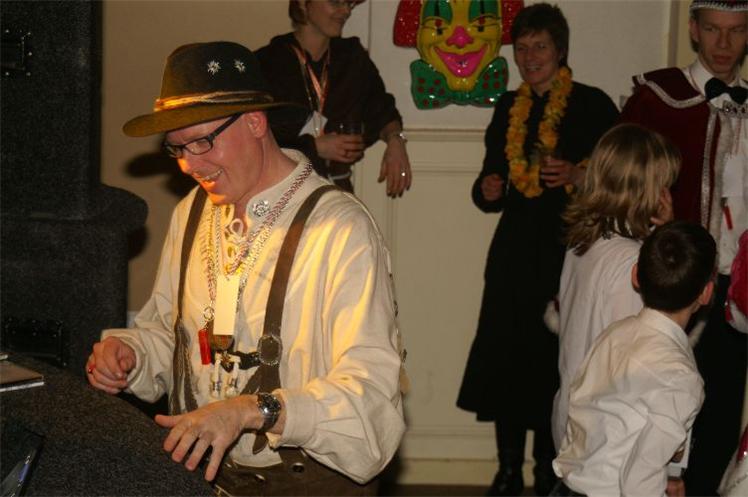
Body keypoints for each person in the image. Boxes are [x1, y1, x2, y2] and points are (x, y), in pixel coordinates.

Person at [85, 41, 405, 496]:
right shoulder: (191, 213)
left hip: (311, 485)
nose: (189, 164)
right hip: (204, 479)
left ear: (255, 122)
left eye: (202, 141)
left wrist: (253, 411)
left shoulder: (341, 229)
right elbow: (173, 335)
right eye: (176, 148)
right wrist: (132, 354)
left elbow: (369, 392)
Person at [455, 3, 619, 495]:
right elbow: (489, 182)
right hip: (514, 252)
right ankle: (507, 470)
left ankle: (549, 471)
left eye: (539, 47)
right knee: (506, 360)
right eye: (522, 48)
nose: (529, 57)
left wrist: (578, 175)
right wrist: (487, 189)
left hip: (569, 250)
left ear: (560, 50)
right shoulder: (509, 107)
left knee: (554, 364)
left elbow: (617, 178)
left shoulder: (593, 104)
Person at [618, 1, 747, 494]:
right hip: (672, 279)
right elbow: (621, 181)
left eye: (736, 31)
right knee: (658, 402)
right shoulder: (658, 99)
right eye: (712, 29)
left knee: (721, 405)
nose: (723, 43)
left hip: (735, 284)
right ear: (693, 29)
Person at [553, 220, 715, 497]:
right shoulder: (680, 379)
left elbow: (588, 414)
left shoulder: (613, 334)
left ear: (636, 275)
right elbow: (639, 483)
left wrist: (669, 470)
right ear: (706, 293)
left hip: (571, 485)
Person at [552, 123, 679, 451]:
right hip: (609, 432)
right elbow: (637, 355)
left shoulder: (584, 242)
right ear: (645, 190)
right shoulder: (631, 261)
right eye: (664, 184)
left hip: (575, 414)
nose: (668, 194)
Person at [256, 0, 412, 196]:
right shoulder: (268, 63)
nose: (345, 11)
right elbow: (255, 140)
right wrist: (314, 147)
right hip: (281, 194)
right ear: (303, 4)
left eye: (349, 3)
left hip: (337, 194)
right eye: (336, 1)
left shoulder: (351, 58)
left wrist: (396, 141)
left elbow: (382, 110)